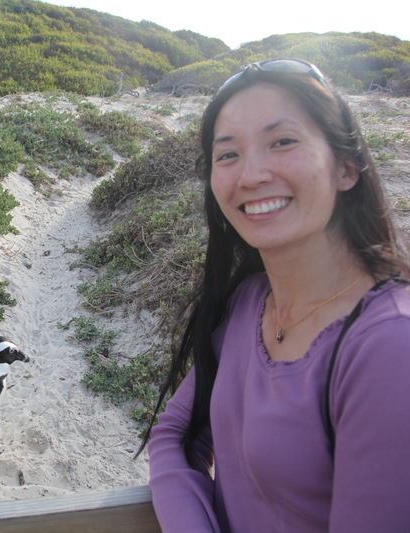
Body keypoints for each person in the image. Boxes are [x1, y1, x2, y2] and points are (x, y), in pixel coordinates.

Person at [142, 59, 410, 532]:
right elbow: (177, 435)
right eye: (228, 155)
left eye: (282, 142)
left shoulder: (390, 346)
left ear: (346, 167)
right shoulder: (249, 302)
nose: (250, 175)